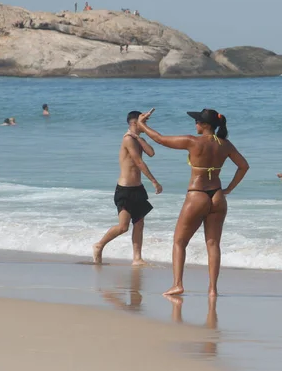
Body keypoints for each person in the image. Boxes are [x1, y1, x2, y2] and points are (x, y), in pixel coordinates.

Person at [137, 108, 249, 297]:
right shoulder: (225, 144)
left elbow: (160, 139)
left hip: (197, 194)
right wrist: (228, 189)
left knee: (179, 242)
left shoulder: (193, 141)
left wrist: (141, 125)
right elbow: (243, 166)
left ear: (205, 125)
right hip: (217, 196)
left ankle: (178, 284)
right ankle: (213, 290)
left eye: (197, 121)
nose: (195, 124)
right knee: (213, 244)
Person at [92, 111, 162, 265]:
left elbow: (151, 153)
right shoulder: (127, 139)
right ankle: (99, 245)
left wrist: (139, 137)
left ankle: (137, 258)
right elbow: (139, 162)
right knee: (123, 227)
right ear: (134, 123)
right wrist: (154, 181)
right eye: (143, 122)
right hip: (125, 190)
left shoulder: (137, 139)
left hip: (138, 189)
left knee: (139, 223)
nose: (146, 125)